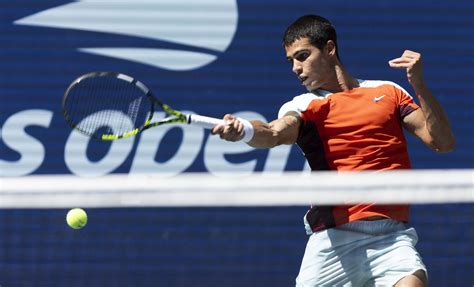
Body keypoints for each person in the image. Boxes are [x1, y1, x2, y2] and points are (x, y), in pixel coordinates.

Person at [211, 15, 455, 287]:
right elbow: (274, 133)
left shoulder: (388, 91)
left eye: (302, 56)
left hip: (391, 238)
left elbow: (442, 142)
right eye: (291, 60)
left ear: (329, 49)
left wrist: (418, 84)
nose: (295, 68)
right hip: (332, 243)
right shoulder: (304, 105)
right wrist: (244, 130)